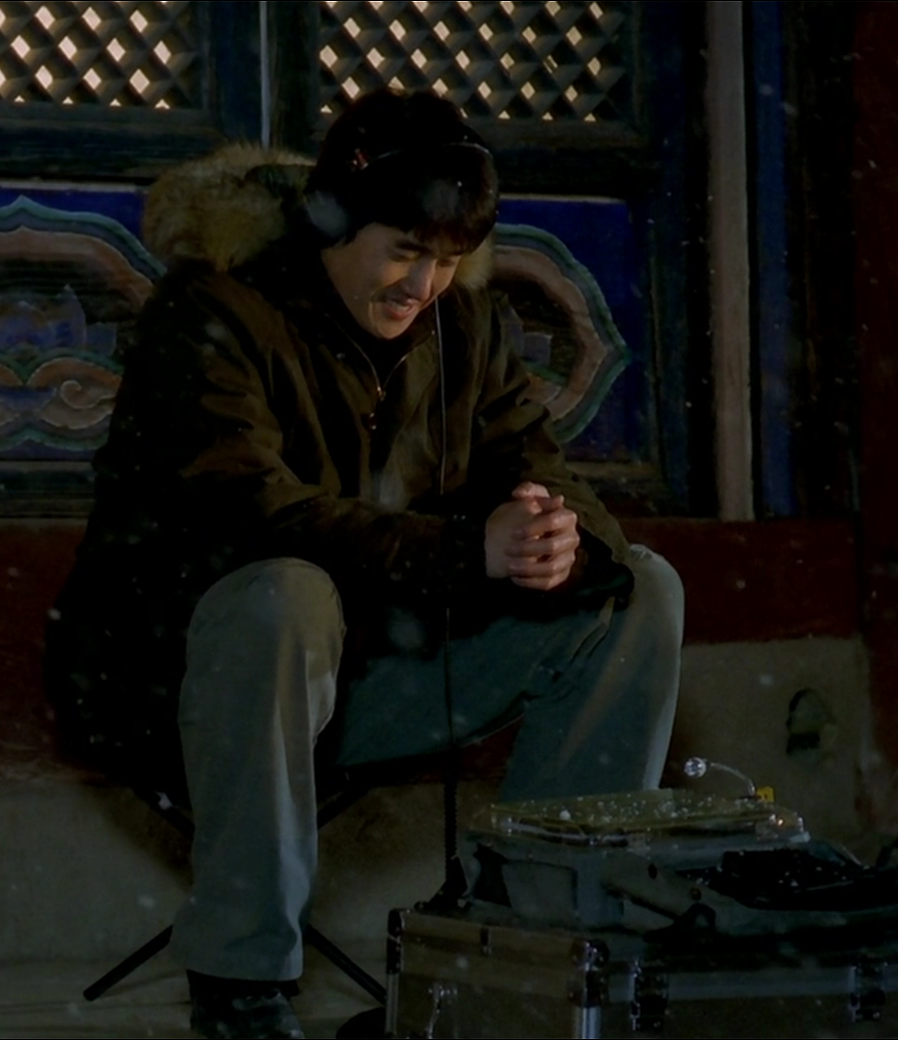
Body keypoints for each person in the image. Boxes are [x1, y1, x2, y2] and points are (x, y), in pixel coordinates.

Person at [44, 90, 683, 1038]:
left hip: (370, 670)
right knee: (285, 592)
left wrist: (555, 534)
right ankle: (241, 981)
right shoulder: (213, 312)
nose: (424, 284)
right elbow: (247, 513)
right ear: (333, 220)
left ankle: (536, 949)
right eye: (404, 251)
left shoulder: (462, 324)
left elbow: (540, 461)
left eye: (448, 261)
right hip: (183, 679)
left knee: (639, 590)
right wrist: (466, 550)